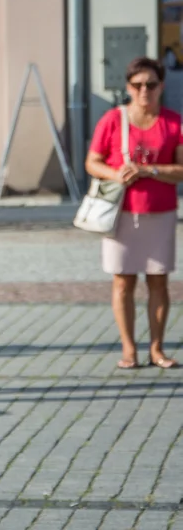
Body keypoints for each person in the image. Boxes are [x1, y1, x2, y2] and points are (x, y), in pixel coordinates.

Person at [86, 56, 183, 370]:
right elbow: (92, 162)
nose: (144, 91)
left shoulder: (173, 122)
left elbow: (181, 169)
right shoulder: (113, 120)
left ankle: (157, 348)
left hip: (160, 213)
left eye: (151, 85)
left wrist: (149, 169)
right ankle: (129, 349)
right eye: (138, 85)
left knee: (158, 281)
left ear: (160, 86)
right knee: (122, 281)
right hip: (121, 213)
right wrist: (117, 174)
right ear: (128, 87)